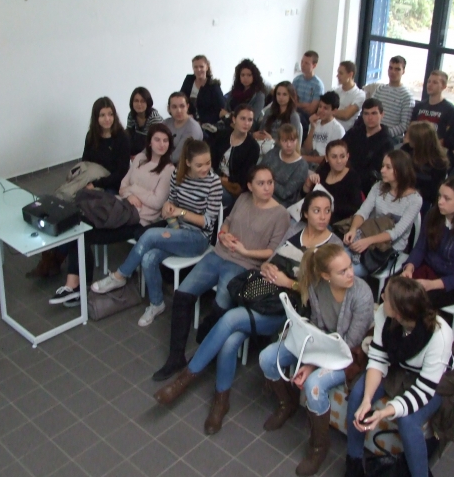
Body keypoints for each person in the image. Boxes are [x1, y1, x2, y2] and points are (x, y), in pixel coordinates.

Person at [152, 188, 335, 435]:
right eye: (317, 210)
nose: (323, 216)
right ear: (305, 213)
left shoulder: (332, 245)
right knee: (230, 343)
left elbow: (324, 294)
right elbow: (271, 258)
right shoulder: (295, 230)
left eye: (327, 211)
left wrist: (289, 283)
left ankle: (183, 380)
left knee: (229, 319)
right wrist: (268, 268)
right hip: (265, 295)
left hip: (289, 310)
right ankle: (221, 400)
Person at [152, 165, 291, 381]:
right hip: (219, 254)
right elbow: (227, 222)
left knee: (221, 304)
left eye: (270, 182)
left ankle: (204, 353)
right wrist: (223, 235)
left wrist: (245, 251)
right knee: (182, 294)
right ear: (250, 186)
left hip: (245, 265)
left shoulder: (280, 214)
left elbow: (272, 252)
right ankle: (175, 357)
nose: (267, 188)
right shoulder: (243, 199)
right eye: (261, 183)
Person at [260, 243, 373, 476]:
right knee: (267, 357)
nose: (351, 274)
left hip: (347, 355)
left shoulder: (361, 294)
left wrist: (310, 364)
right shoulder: (315, 285)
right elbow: (314, 322)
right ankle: (287, 403)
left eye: (350, 267)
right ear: (325, 276)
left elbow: (348, 345)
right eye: (342, 271)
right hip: (319, 342)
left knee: (314, 385)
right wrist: (309, 352)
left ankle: (319, 446)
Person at [89, 139, 222, 326]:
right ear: (188, 163)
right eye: (199, 165)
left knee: (149, 235)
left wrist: (180, 213)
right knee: (148, 258)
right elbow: (172, 201)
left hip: (197, 238)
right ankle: (157, 303)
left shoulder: (213, 183)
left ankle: (120, 276)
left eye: (208, 163)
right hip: (176, 231)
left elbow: (208, 222)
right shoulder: (178, 175)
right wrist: (169, 207)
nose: (205, 168)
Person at [48, 124, 175, 306]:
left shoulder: (168, 169)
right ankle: (73, 285)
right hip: (120, 207)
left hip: (138, 220)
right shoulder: (140, 158)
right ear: (150, 142)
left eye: (165, 141)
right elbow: (123, 186)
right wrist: (130, 194)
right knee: (80, 227)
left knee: (83, 232)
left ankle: (75, 287)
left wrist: (133, 189)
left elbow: (157, 202)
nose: (161, 144)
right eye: (157, 140)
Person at [346, 276, 454, 477]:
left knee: (407, 420)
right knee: (358, 395)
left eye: (385, 297)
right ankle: (353, 463)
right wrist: (368, 400)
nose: (381, 297)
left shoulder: (440, 335)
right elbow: (378, 358)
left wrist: (384, 412)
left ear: (398, 313)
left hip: (432, 380)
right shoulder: (384, 314)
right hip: (398, 365)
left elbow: (424, 390)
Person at [26, 97, 130, 279]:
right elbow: (84, 164)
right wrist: (84, 182)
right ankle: (52, 257)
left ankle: (56, 259)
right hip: (88, 181)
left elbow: (121, 173)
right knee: (61, 205)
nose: (107, 119)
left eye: (110, 114)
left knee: (78, 212)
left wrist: (96, 184)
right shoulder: (92, 136)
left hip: (109, 186)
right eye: (102, 115)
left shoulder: (122, 138)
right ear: (96, 117)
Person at [400, 176, 454, 310]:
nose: (440, 202)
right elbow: (420, 247)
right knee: (392, 287)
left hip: (452, 283)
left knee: (412, 301)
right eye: (439, 196)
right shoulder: (433, 215)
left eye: (447, 198)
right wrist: (409, 267)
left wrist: (432, 284)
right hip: (429, 269)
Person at [344, 150, 423, 277]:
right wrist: (353, 229)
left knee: (345, 270)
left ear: (401, 170)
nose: (382, 170)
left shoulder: (414, 200)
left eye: (388, 167)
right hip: (368, 235)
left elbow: (396, 233)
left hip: (388, 248)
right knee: (335, 260)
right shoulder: (378, 187)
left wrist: (368, 241)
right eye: (382, 166)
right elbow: (363, 211)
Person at [211, 104, 259, 209]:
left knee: (210, 192)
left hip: (232, 187)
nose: (246, 123)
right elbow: (211, 158)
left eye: (250, 120)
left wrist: (222, 180)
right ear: (234, 119)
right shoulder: (223, 135)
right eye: (242, 118)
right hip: (213, 176)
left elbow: (244, 177)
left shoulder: (253, 147)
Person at [304, 140, 363, 226]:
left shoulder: (353, 177)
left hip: (334, 223)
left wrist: (328, 206)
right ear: (327, 158)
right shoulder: (323, 172)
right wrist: (308, 184)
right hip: (313, 216)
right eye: (334, 157)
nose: (339, 161)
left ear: (347, 157)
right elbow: (306, 197)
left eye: (342, 156)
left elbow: (355, 207)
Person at [342, 98, 393, 193]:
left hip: (365, 186)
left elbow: (377, 171)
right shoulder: (354, 132)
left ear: (382, 114)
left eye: (374, 113)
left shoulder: (386, 142)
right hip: (342, 174)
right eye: (366, 113)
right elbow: (339, 149)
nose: (370, 118)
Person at [401, 121, 449, 215]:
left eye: (412, 136)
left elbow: (434, 191)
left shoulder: (439, 162)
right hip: (400, 192)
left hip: (422, 200)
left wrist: (413, 192)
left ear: (420, 140)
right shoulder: (406, 150)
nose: (407, 137)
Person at [261, 124, 309, 206]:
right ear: (279, 141)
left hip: (281, 204)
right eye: (285, 141)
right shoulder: (273, 153)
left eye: (292, 141)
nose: (289, 145)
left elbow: (285, 193)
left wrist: (267, 180)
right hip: (261, 194)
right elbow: (258, 171)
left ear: (297, 141)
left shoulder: (302, 165)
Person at [372, 56, 415, 145]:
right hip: (372, 131)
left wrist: (382, 133)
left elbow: (404, 125)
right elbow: (370, 110)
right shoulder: (380, 89)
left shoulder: (407, 96)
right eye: (390, 68)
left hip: (392, 138)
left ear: (403, 71)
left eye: (397, 69)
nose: (393, 72)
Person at [410, 70, 454, 138]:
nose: (430, 85)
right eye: (429, 81)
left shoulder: (451, 110)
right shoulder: (419, 106)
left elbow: (448, 138)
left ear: (443, 86)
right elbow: (410, 129)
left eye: (435, 82)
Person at [302, 91, 346, 166]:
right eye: (320, 106)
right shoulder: (315, 123)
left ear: (334, 111)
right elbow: (307, 149)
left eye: (325, 108)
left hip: (324, 166)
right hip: (309, 161)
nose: (320, 110)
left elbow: (331, 158)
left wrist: (304, 158)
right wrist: (312, 128)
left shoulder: (337, 129)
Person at [180, 54, 225, 125]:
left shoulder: (214, 86)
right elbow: (181, 98)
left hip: (206, 122)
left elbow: (221, 110)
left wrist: (198, 119)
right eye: (195, 67)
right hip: (187, 119)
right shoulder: (189, 80)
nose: (198, 69)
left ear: (207, 67)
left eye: (201, 67)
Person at [255, 81, 304, 145]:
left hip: (282, 148)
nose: (281, 97)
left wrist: (272, 141)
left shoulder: (293, 116)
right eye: (278, 94)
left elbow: (293, 142)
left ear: (290, 96)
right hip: (264, 145)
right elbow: (261, 131)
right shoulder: (269, 112)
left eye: (284, 94)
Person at [163, 92, 203, 164]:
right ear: (169, 109)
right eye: (174, 107)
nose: (179, 110)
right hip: (164, 160)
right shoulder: (166, 122)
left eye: (182, 106)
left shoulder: (192, 128)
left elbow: (177, 157)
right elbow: (152, 144)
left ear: (187, 107)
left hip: (183, 165)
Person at [292, 51, 324, 138]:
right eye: (302, 62)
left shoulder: (318, 85)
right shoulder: (296, 80)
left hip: (308, 117)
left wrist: (298, 104)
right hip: (295, 111)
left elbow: (311, 109)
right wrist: (305, 104)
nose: (302, 65)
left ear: (314, 65)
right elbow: (292, 102)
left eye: (306, 63)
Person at [126, 87, 163, 156]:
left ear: (148, 103)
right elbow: (128, 135)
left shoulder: (154, 118)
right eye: (136, 101)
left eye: (143, 101)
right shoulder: (131, 115)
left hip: (151, 153)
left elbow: (157, 143)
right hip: (134, 154)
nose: (139, 104)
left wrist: (139, 157)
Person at [333, 61, 366, 131]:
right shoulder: (335, 91)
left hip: (346, 132)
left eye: (341, 73)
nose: (337, 76)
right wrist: (341, 111)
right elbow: (323, 109)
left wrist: (329, 111)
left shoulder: (359, 94)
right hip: (330, 128)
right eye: (338, 73)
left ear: (350, 74)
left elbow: (346, 115)